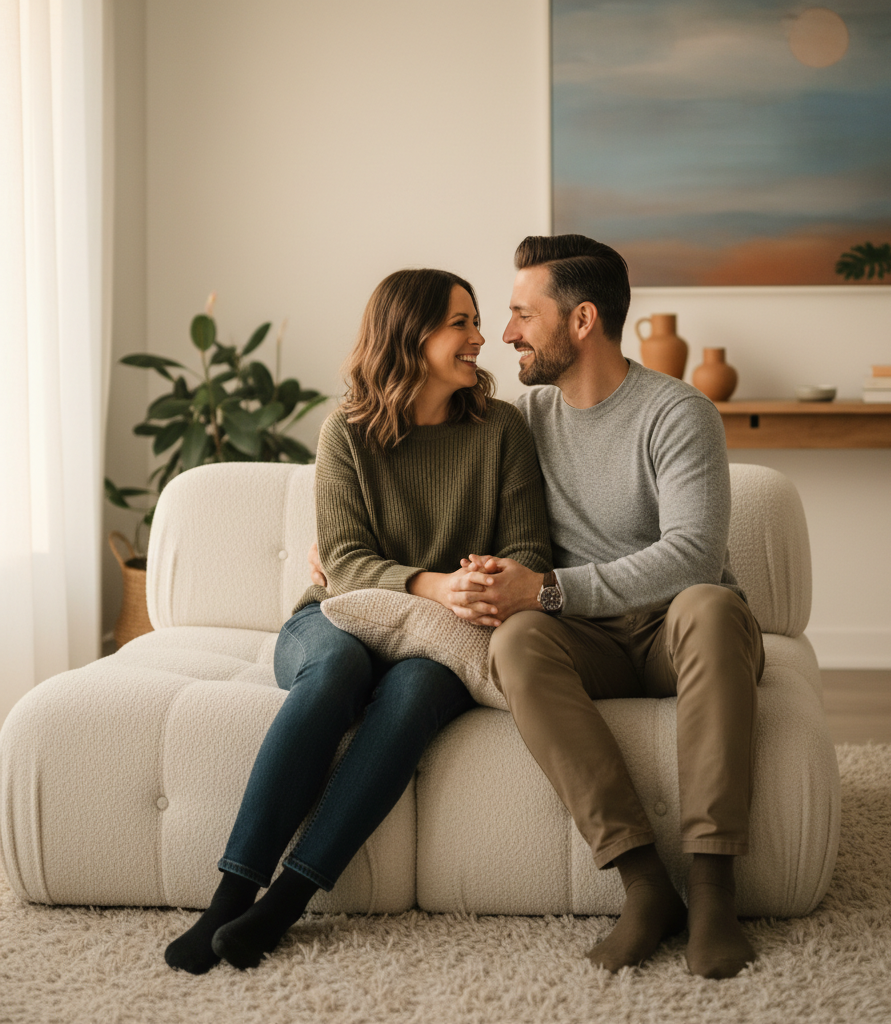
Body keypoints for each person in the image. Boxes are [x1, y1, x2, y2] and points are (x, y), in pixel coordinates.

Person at [164, 268, 551, 974]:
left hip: (440, 640)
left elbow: (529, 548)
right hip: (335, 622)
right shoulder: (347, 429)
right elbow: (343, 561)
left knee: (413, 690)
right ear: (411, 335)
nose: (479, 338)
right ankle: (230, 896)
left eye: (475, 321)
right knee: (339, 668)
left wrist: (489, 580)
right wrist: (437, 581)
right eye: (460, 323)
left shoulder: (501, 429)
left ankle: (284, 903)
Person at [450, 235, 765, 980]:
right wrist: (341, 545)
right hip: (584, 642)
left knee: (711, 606)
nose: (506, 335)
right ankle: (645, 884)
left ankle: (715, 889)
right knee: (518, 642)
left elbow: (691, 554)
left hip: (678, 633)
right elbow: (432, 482)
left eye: (523, 314)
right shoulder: (521, 419)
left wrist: (551, 588)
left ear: (582, 320)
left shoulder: (678, 412)